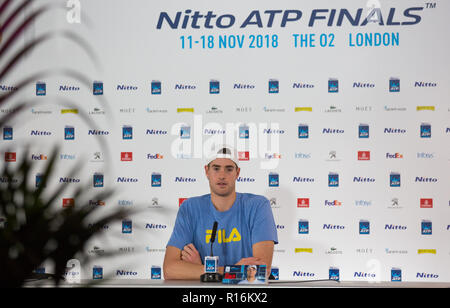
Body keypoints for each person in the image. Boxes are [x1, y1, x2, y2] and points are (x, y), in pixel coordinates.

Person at [163, 146, 278, 280]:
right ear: (207, 171)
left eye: (229, 169)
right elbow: (169, 270)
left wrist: (203, 270)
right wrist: (223, 271)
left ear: (237, 173)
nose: (222, 175)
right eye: (216, 168)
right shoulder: (190, 207)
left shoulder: (258, 205)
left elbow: (258, 273)